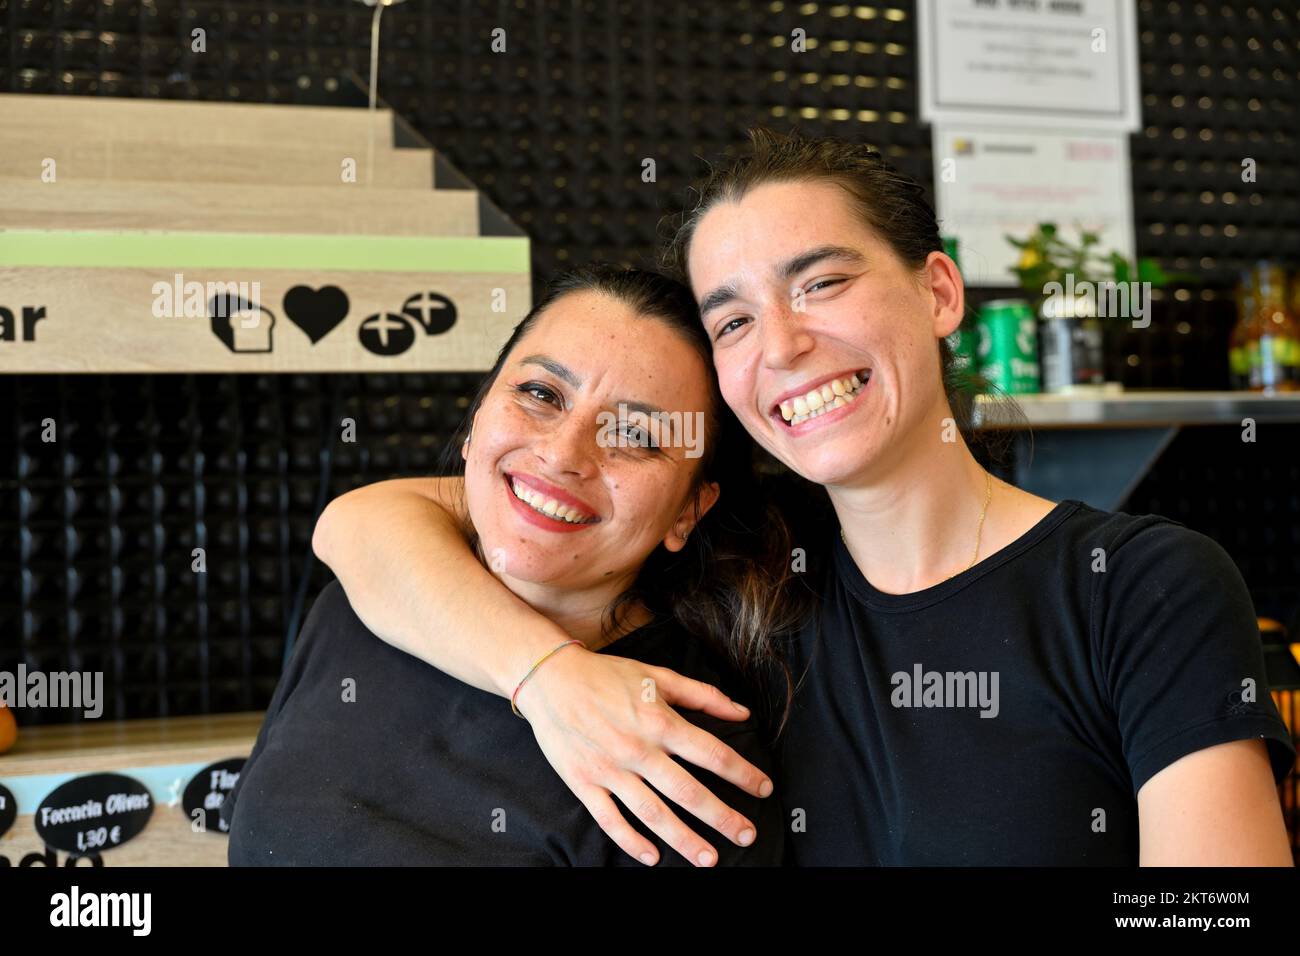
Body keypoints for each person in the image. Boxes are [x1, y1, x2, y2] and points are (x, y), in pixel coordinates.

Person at [312, 129, 1296, 866]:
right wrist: (546, 676)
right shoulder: (747, 568)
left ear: (940, 293)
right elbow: (369, 521)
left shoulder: (1141, 586)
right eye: (732, 318)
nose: (779, 344)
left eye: (819, 283)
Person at [220, 265, 798, 865]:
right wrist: (546, 674)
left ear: (688, 510)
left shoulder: (691, 755)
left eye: (634, 433)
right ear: (476, 421)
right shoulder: (358, 605)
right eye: (541, 394)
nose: (562, 454)